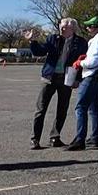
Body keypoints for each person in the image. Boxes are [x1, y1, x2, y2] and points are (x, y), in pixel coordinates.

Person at [25, 18, 87, 150]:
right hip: (49, 77)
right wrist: (32, 41)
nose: (62, 29)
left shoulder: (80, 42)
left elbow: (82, 61)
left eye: (66, 27)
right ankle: (34, 139)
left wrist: (78, 79)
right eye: (61, 26)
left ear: (73, 29)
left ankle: (55, 137)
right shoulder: (53, 38)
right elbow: (39, 51)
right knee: (41, 109)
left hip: (67, 79)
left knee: (62, 110)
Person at [68, 16, 98, 151]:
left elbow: (92, 62)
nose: (88, 28)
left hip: (92, 76)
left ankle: (80, 139)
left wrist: (80, 63)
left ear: (97, 26)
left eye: (90, 26)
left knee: (80, 107)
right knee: (94, 107)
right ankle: (94, 137)